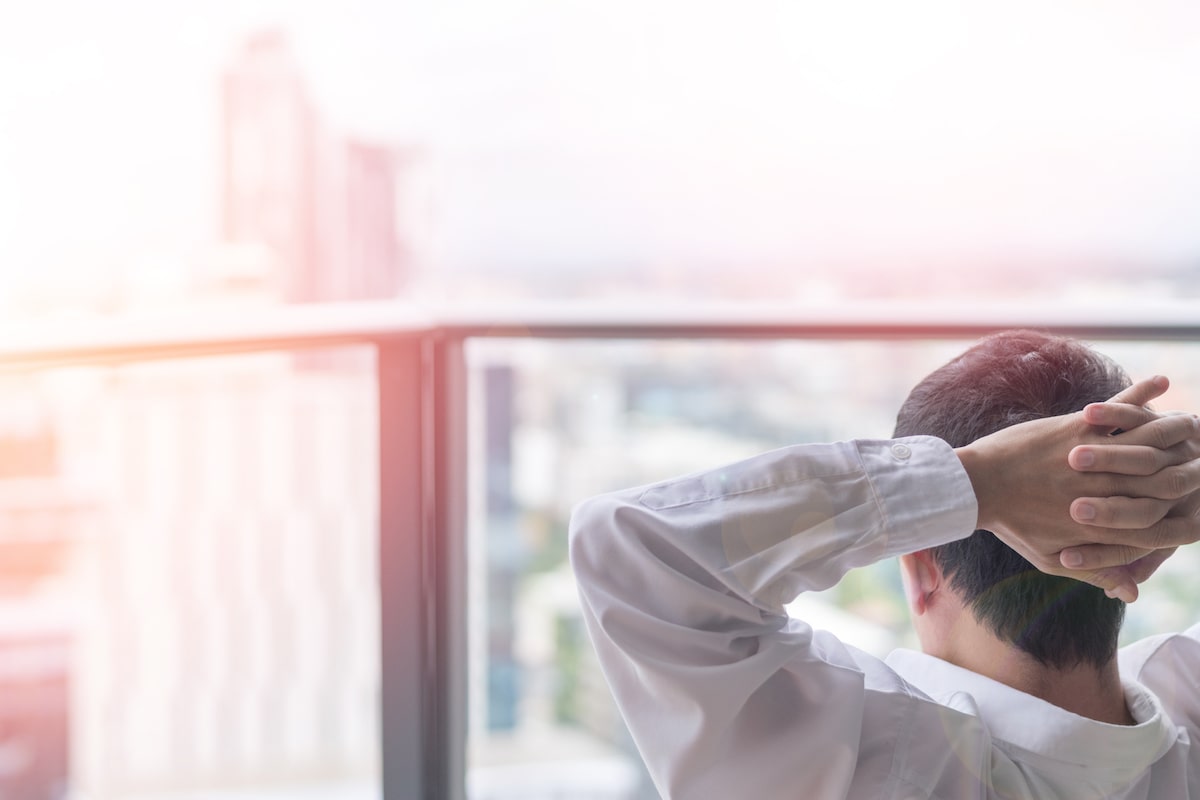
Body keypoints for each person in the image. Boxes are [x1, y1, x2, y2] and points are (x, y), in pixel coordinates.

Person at [569, 330, 1200, 799]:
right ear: (1142, 543)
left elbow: (629, 545)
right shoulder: (1187, 706)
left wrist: (980, 484)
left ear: (921, 570)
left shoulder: (855, 763)